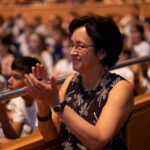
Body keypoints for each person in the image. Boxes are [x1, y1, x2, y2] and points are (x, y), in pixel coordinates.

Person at [24, 16, 133, 150]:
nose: (72, 52)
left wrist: (57, 103)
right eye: (72, 45)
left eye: (80, 46)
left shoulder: (120, 88)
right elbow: (50, 136)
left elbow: (97, 141)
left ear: (101, 52)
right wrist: (42, 103)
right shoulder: (71, 81)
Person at [0, 57, 40, 144]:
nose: (9, 80)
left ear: (30, 80)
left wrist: (4, 142)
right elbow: (13, 135)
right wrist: (2, 109)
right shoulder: (19, 100)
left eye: (16, 77)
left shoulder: (41, 101)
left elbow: (35, 141)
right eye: (11, 75)